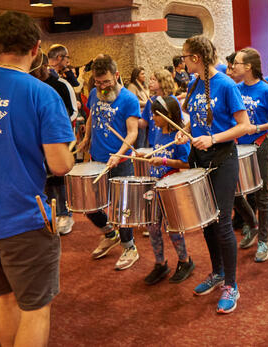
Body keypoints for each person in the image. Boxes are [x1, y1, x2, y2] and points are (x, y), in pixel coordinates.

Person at [0, 11, 74, 346]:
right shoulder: (41, 94)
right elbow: (60, 165)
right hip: (21, 218)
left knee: (3, 298)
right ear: (36, 49)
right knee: (35, 308)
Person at [176, 35, 251, 314]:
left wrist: (213, 138)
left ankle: (231, 284)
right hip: (200, 159)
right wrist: (186, 132)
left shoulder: (226, 84)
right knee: (206, 222)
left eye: (184, 57)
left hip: (223, 159)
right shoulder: (195, 83)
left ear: (195, 58)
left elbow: (244, 126)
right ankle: (217, 272)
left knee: (220, 223)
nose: (182, 62)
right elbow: (195, 119)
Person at [76, 55, 142, 270]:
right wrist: (87, 138)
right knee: (88, 204)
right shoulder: (95, 93)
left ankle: (129, 247)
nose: (102, 86)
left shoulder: (129, 99)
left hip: (120, 161)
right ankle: (109, 234)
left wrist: (119, 153)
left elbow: (132, 133)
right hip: (97, 158)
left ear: (116, 75)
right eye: (98, 82)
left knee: (121, 208)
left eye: (106, 81)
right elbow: (92, 115)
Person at [234, 48, 268, 262]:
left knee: (261, 196)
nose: (233, 66)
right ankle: (252, 224)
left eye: (236, 63)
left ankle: (263, 241)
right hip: (237, 148)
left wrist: (257, 127)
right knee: (235, 193)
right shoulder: (235, 88)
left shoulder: (265, 90)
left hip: (259, 146)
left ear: (248, 66)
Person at [141, 96, 195, 285]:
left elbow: (187, 163)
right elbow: (157, 151)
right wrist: (146, 154)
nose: (153, 117)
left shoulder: (179, 136)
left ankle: (185, 261)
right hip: (154, 185)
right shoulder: (156, 131)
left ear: (169, 115)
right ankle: (160, 263)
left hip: (170, 186)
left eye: (157, 114)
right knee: (153, 227)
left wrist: (164, 161)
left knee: (173, 229)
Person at [31, 53, 79, 236]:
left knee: (60, 177)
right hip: (39, 142)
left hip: (60, 139)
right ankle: (51, 214)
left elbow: (73, 111)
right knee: (46, 179)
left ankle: (65, 213)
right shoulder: (32, 85)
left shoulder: (61, 84)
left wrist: (59, 127)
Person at [139, 70, 178, 149]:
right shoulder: (151, 100)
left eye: (154, 80)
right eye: (150, 79)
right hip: (153, 143)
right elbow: (144, 123)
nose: (150, 82)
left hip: (169, 143)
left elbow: (178, 122)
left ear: (163, 82)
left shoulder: (172, 100)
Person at [128, 67, 150, 148]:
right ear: (136, 76)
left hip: (147, 113)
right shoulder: (132, 86)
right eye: (142, 74)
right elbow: (133, 100)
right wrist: (146, 103)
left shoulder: (144, 86)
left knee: (147, 139)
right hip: (140, 114)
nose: (144, 75)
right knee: (141, 137)